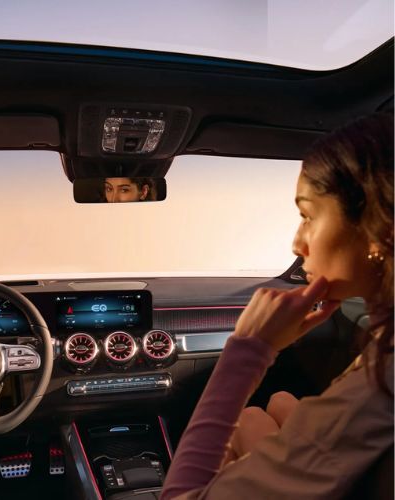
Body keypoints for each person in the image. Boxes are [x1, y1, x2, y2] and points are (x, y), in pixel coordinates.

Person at [161, 113, 394, 499]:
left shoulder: (373, 393)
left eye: (307, 216)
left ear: (379, 230)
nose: (297, 243)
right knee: (269, 408)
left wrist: (248, 349)